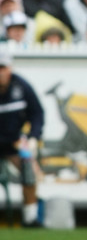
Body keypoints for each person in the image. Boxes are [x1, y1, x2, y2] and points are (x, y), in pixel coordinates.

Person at [0, 53, 44, 227]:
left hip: (13, 143)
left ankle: (30, 217)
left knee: (29, 168)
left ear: (10, 69)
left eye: (3, 68)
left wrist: (34, 137)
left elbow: (37, 113)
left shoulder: (22, 87)